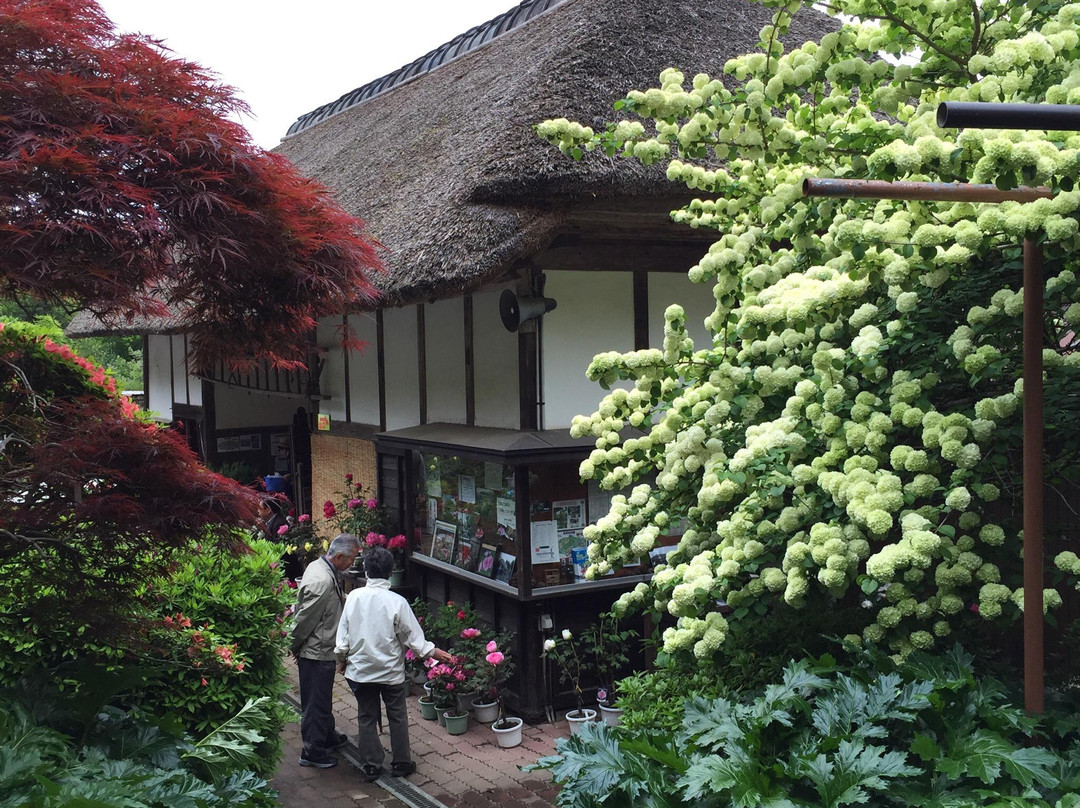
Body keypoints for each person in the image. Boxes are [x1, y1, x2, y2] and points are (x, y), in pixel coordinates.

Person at [336, 546, 453, 782]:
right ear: (390, 573)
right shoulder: (397, 602)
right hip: (390, 672)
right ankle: (401, 762)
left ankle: (371, 765)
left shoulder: (354, 598)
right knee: (397, 715)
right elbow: (414, 638)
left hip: (361, 670)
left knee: (366, 716)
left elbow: (343, 638)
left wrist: (341, 660)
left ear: (366, 571)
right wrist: (434, 651)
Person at [290, 533, 361, 769]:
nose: (352, 564)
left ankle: (326, 736)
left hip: (321, 648)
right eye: (351, 560)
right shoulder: (322, 581)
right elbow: (305, 619)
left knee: (321, 698)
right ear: (339, 555)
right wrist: (294, 645)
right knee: (315, 702)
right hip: (316, 651)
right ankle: (312, 750)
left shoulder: (320, 566)